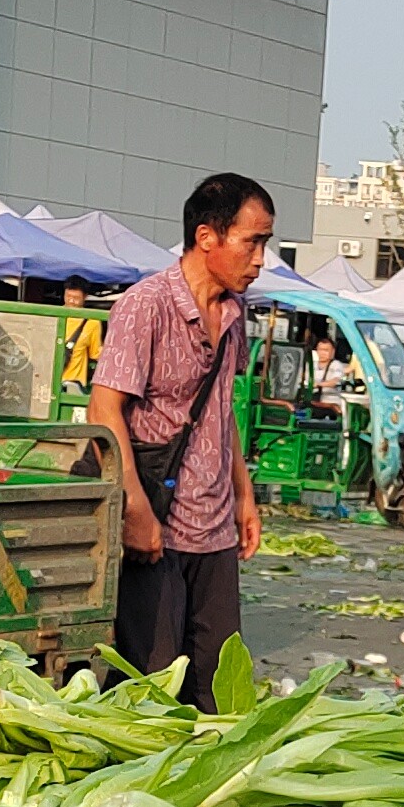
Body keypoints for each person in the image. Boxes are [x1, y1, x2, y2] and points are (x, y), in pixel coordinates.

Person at [93, 171, 275, 709]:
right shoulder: (143, 306)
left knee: (219, 686)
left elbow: (222, 412)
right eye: (253, 242)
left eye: (265, 242)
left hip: (214, 527)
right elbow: (104, 409)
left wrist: (245, 495)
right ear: (207, 237)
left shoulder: (236, 316)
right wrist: (134, 510)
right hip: (156, 523)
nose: (261, 259)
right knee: (151, 685)